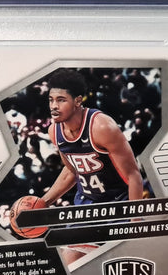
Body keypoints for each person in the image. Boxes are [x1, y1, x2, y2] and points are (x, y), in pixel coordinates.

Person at [41, 69, 145, 208]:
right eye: (51, 100)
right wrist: (41, 203)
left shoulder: (102, 126)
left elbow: (133, 176)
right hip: (86, 203)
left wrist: (134, 217)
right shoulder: (54, 131)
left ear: (78, 101)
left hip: (118, 201)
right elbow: (72, 171)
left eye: (61, 100)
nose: (54, 106)